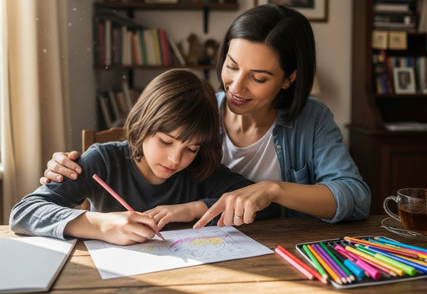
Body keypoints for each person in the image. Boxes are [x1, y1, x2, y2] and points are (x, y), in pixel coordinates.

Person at [40, 4, 371, 228]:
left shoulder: (311, 120)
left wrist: (273, 189)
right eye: (231, 66)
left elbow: (355, 198)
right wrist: (68, 167)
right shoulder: (197, 112)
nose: (236, 88)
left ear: (289, 78)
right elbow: (137, 151)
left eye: (258, 78)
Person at [10, 69, 273, 245]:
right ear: (144, 123)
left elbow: (267, 204)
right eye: (165, 141)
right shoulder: (103, 161)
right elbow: (24, 213)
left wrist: (194, 208)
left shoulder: (199, 168)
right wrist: (98, 225)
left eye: (191, 148)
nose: (175, 158)